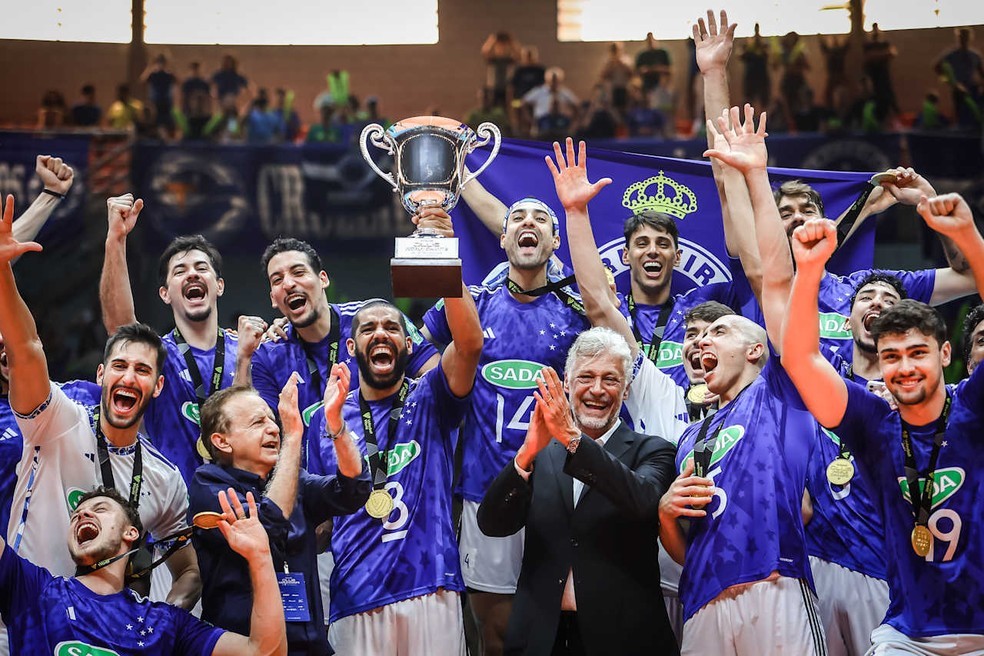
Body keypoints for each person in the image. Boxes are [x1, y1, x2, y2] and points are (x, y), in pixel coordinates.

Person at [781, 193, 984, 653]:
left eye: (917, 353)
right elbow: (800, 358)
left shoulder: (973, 407)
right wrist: (809, 269)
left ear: (945, 354)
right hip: (905, 633)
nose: (904, 367)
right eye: (891, 356)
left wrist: (968, 237)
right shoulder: (872, 423)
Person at [658, 105, 826, 655]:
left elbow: (770, 277)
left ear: (757, 348)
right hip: (703, 597)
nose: (702, 339)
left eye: (721, 330)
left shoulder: (780, 388)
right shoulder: (690, 437)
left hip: (774, 584)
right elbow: (686, 545)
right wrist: (665, 513)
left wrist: (754, 177)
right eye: (698, 336)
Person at [420, 197, 590, 654]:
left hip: (558, 489)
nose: (527, 224)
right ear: (503, 238)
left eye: (540, 220)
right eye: (517, 217)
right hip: (482, 489)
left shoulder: (580, 310)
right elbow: (418, 353)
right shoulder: (471, 301)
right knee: (494, 634)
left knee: (566, 628)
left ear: (556, 243)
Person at [306, 276, 483, 653]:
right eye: (368, 328)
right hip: (356, 593)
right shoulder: (327, 418)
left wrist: (444, 265)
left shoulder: (433, 396)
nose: (381, 333)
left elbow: (469, 345)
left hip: (430, 583)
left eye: (391, 327)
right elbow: (320, 522)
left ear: (407, 344)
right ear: (352, 348)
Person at [478, 329, 679, 655]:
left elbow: (644, 503)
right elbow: (492, 524)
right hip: (541, 638)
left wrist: (573, 439)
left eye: (610, 379)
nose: (597, 389)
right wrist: (525, 456)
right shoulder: (540, 455)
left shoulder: (653, 450)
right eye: (586, 377)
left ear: (626, 390)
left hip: (625, 639)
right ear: (567, 384)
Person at [190, 373, 369, 655]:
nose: (274, 428)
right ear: (222, 442)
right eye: (258, 422)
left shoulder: (292, 479)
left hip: (310, 647)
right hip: (246, 647)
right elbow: (267, 528)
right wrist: (294, 436)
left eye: (273, 419)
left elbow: (353, 490)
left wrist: (336, 423)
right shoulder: (207, 485)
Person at [0, 485, 288, 656]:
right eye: (76, 515)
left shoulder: (166, 623)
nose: (83, 514)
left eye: (99, 509)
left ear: (131, 533)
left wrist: (260, 557)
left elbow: (264, 651)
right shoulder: (33, 589)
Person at [99, 194, 262, 485]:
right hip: (172, 515)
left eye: (201, 268)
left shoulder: (250, 349)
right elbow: (119, 327)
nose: (191, 275)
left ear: (219, 286)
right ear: (165, 294)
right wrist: (116, 239)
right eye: (180, 271)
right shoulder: (157, 357)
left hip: (241, 507)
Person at [771, 168, 980, 367]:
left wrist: (935, 210)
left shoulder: (872, 289)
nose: (798, 217)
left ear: (826, 223)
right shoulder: (757, 285)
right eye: (786, 214)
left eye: (808, 211)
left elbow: (973, 276)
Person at [252, 237, 439, 430]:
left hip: (391, 455)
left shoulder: (375, 319)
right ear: (274, 298)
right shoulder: (267, 354)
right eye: (277, 280)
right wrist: (242, 357)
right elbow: (260, 431)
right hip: (315, 458)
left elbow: (439, 384)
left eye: (298, 272)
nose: (288, 284)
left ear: (323, 279)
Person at [934, 27, 984, 131]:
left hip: (971, 87)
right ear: (958, 38)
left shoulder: (975, 55)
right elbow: (937, 66)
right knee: (961, 113)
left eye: (966, 37)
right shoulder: (951, 55)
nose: (963, 40)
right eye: (961, 37)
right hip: (958, 89)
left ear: (970, 38)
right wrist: (949, 81)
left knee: (974, 112)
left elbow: (981, 72)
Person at [142, 54, 177, 137]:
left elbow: (178, 80)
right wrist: (150, 67)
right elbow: (143, 80)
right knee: (154, 122)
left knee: (168, 122)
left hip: (166, 102)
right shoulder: (153, 74)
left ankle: (169, 137)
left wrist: (171, 66)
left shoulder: (168, 74)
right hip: (155, 102)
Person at [636, 32, 672, 107]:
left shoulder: (662, 53)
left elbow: (669, 70)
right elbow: (637, 71)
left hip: (661, 86)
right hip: (647, 86)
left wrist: (657, 69)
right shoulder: (643, 55)